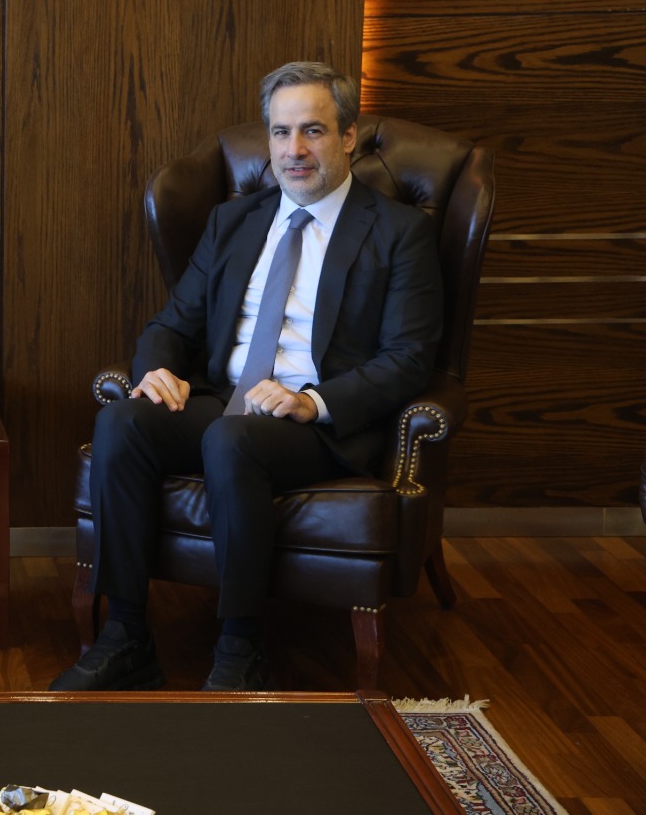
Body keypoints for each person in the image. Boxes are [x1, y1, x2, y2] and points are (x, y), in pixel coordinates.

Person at [51, 61, 442, 693]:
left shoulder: (400, 232)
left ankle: (240, 646)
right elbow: (173, 322)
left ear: (348, 137)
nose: (294, 150)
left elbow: (409, 357)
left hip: (317, 422)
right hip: (225, 400)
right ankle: (125, 636)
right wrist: (157, 371)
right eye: (281, 132)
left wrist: (314, 402)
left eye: (313, 130)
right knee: (121, 421)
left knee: (232, 440)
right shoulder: (234, 222)